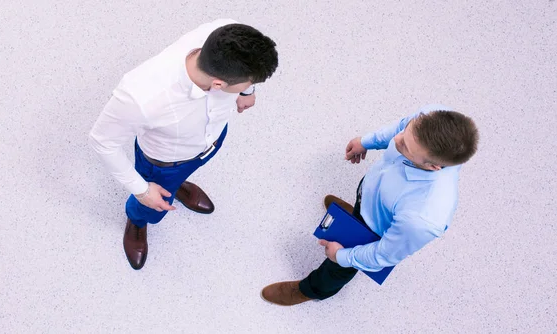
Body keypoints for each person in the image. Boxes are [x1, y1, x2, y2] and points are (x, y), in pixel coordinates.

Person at [89, 19, 278, 270]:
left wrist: (246, 91)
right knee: (152, 203)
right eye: (246, 84)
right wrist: (142, 189)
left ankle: (177, 186)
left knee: (185, 173)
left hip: (209, 141)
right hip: (164, 163)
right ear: (219, 85)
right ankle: (138, 220)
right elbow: (101, 142)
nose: (249, 88)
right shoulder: (141, 96)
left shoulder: (228, 33)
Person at [261, 104, 479, 305]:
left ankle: (312, 290)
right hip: (371, 194)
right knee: (360, 206)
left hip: (374, 232)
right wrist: (367, 142)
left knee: (338, 269)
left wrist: (342, 256)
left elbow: (381, 256)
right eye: (405, 133)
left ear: (433, 167)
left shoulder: (422, 218)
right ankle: (353, 216)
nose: (396, 140)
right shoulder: (432, 119)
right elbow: (401, 126)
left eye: (405, 146)